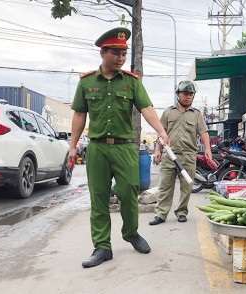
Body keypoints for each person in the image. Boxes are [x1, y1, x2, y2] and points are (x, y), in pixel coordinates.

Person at [69, 27, 170, 268]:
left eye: (124, 53)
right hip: (97, 148)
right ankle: (102, 246)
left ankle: (131, 232)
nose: (122, 58)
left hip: (125, 148)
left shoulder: (132, 82)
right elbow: (79, 115)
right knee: (99, 197)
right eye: (116, 53)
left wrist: (161, 131)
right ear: (103, 53)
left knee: (128, 192)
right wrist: (73, 146)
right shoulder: (86, 82)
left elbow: (146, 108)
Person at [149, 81, 212, 225]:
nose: (188, 97)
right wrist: (157, 150)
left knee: (186, 186)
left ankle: (182, 211)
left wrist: (207, 148)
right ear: (178, 94)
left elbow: (203, 132)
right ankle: (161, 214)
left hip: (188, 156)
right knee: (165, 185)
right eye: (185, 94)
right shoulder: (168, 112)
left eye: (191, 94)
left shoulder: (196, 115)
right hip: (169, 155)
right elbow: (160, 132)